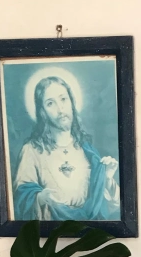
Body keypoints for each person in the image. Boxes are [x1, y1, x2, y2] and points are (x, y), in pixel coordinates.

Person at [13, 75, 120, 221]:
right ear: (42, 111)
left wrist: (106, 178)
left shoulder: (87, 151)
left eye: (63, 99)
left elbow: (111, 208)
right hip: (51, 234)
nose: (60, 108)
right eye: (50, 103)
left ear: (71, 102)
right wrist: (39, 198)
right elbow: (20, 198)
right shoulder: (31, 151)